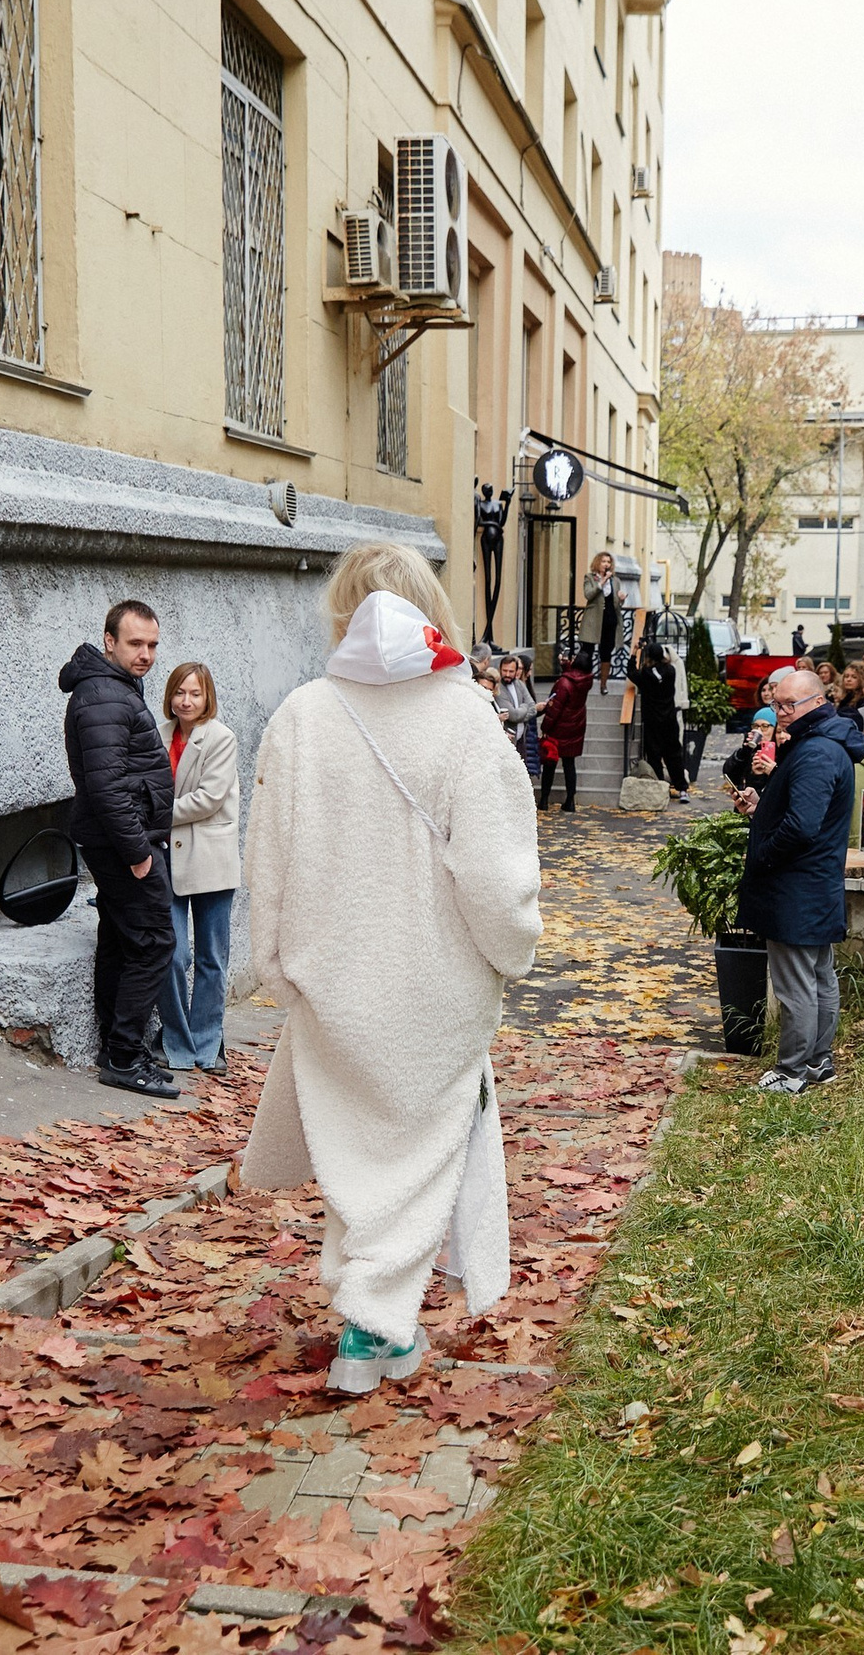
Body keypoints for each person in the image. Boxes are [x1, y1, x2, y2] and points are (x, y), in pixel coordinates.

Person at [240, 542, 543, 1393]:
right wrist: (512, 950)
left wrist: (277, 968)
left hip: (332, 980)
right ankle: (375, 1328)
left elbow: (268, 860)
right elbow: (494, 874)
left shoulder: (302, 713)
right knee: (415, 1158)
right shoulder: (468, 718)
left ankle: (367, 1315)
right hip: (434, 985)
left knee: (358, 1157)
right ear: (433, 609)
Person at [59, 602, 181, 1101]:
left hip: (119, 840)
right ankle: (126, 1056)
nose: (146, 654)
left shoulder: (113, 689)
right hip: (123, 845)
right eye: (135, 644)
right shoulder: (104, 696)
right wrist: (137, 853)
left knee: (119, 939)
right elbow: (107, 788)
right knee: (155, 942)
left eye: (152, 645)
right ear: (109, 641)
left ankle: (118, 1048)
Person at [733, 669, 864, 1093]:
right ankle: (818, 1063)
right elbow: (799, 811)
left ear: (816, 702)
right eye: (777, 704)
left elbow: (801, 826)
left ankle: (793, 1071)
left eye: (788, 705)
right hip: (815, 882)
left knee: (797, 984)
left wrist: (764, 851)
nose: (780, 713)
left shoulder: (816, 752)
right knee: (818, 975)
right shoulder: (825, 744)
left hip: (796, 885)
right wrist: (762, 807)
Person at [156, 662, 239, 1076]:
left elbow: (208, 798)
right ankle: (176, 1040)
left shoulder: (221, 738)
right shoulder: (159, 733)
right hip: (167, 856)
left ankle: (207, 1043)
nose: (186, 701)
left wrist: (155, 814)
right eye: (179, 693)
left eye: (195, 694)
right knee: (171, 953)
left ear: (208, 698)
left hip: (210, 857)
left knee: (211, 956)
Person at [628, 640, 692, 801]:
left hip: (652, 721)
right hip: (669, 720)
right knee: (674, 755)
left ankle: (660, 787)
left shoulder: (645, 675)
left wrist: (634, 652)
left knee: (654, 755)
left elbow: (631, 672)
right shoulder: (671, 671)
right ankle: (682, 789)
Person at [537, 648, 593, 811]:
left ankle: (544, 799)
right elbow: (573, 675)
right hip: (575, 725)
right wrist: (566, 664)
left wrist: (544, 727)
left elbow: (554, 710)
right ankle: (570, 801)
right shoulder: (586, 680)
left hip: (559, 727)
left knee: (550, 763)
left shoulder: (563, 683)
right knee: (569, 764)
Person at [495, 651, 544, 780]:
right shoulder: (499, 687)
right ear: (500, 669)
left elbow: (533, 708)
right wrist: (524, 707)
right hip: (508, 739)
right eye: (504, 670)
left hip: (522, 739)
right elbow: (514, 715)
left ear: (517, 671)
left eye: (511, 671)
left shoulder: (519, 684)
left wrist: (524, 710)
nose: (507, 674)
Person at [583, 551, 625, 693]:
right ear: (597, 563)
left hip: (609, 619)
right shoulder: (590, 578)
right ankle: (584, 682)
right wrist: (601, 582)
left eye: (609, 562)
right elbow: (588, 595)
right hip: (594, 620)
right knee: (587, 651)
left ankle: (603, 684)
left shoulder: (616, 580)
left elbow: (616, 603)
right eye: (603, 561)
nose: (606, 564)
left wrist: (621, 599)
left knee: (606, 652)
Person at [722, 706, 779, 789]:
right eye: (755, 726)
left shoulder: (783, 751)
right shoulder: (752, 750)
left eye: (764, 726)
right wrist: (744, 751)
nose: (759, 730)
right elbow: (729, 774)